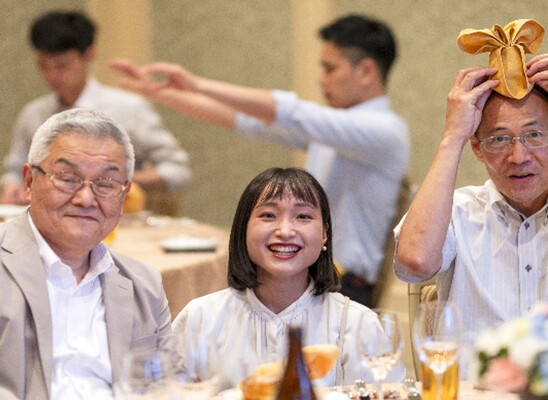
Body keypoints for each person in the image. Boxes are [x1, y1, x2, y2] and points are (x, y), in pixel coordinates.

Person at [110, 14, 410, 307]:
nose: (322, 80)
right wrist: (159, 93)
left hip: (345, 287)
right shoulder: (338, 129)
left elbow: (292, 112)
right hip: (312, 275)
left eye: (329, 68)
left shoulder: (384, 131)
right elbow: (244, 121)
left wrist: (197, 84)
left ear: (366, 71)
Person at [394, 52, 548, 336]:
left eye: (534, 135)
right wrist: (453, 136)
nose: (519, 157)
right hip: (473, 368)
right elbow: (415, 261)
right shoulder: (456, 212)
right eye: (499, 139)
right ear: (477, 148)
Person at [172, 167, 405, 389]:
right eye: (268, 215)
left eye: (303, 216)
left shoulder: (357, 324)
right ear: (243, 229)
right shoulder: (200, 318)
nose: (285, 231)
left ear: (324, 234)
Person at [0, 108, 172, 400]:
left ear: (124, 195)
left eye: (106, 184)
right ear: (29, 182)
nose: (85, 198)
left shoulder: (145, 285)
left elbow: (166, 387)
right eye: (67, 178)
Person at [1, 10, 191, 216]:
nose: (52, 75)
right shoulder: (34, 113)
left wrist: (116, 180)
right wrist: (13, 184)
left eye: (62, 65)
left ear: (89, 55)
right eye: (43, 66)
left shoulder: (128, 108)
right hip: (49, 221)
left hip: (112, 220)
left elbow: (178, 171)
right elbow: (16, 168)